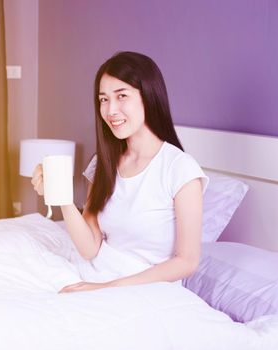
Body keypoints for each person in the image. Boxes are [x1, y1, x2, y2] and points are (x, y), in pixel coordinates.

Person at [31, 51, 208, 293]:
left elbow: (187, 262)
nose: (110, 110)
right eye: (103, 99)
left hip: (146, 289)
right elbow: (89, 248)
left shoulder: (180, 169)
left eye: (121, 96)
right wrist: (62, 197)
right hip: (95, 272)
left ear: (149, 97)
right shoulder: (103, 163)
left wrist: (106, 287)